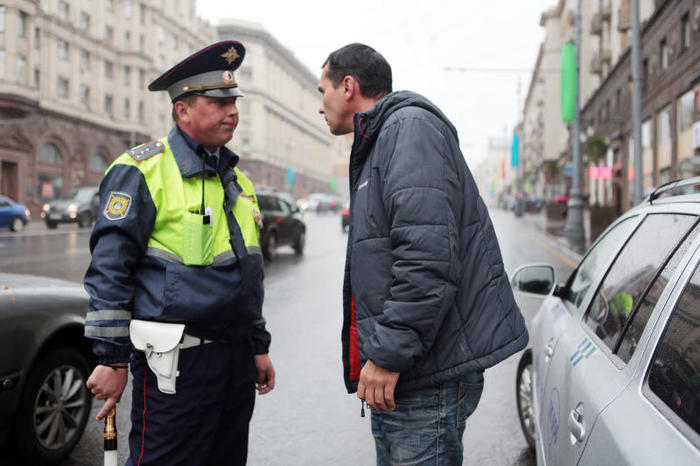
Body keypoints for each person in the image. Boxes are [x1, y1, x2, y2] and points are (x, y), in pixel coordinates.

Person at [317, 43, 529, 465]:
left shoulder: (407, 130)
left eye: (322, 91)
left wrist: (388, 355)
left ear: (348, 86)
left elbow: (427, 258)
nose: (319, 106)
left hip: (423, 376)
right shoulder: (383, 138)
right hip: (413, 373)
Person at [83, 40, 275, 466]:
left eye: (234, 101)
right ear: (182, 109)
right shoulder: (141, 170)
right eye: (218, 101)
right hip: (176, 366)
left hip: (235, 361)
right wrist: (112, 359)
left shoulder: (238, 181)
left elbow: (248, 274)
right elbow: (110, 269)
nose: (232, 111)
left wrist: (257, 345)